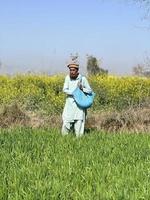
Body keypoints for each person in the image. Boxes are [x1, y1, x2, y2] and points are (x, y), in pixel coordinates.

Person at [62, 59, 93, 137]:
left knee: (79, 122)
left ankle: (78, 140)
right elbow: (64, 89)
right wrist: (74, 93)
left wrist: (82, 89)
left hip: (79, 105)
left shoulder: (83, 79)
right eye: (70, 70)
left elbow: (90, 91)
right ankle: (64, 138)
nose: (71, 72)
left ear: (77, 71)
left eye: (73, 70)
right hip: (69, 104)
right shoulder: (67, 78)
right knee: (66, 121)